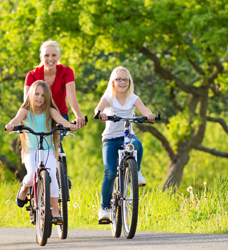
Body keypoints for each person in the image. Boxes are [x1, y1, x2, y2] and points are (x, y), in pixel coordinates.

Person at [5, 80, 77, 225]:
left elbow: (61, 121)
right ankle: (25, 188)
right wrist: (11, 125)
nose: (39, 97)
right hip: (31, 151)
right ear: (30, 94)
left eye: (43, 95)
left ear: (47, 98)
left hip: (49, 150)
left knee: (52, 177)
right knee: (32, 174)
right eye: (36, 94)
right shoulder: (25, 110)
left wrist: (70, 126)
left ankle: (55, 211)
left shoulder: (50, 111)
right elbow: (16, 119)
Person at [94, 66, 156, 221]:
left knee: (138, 145)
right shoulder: (108, 97)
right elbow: (98, 108)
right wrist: (100, 114)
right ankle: (104, 208)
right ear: (113, 82)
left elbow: (144, 109)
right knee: (109, 173)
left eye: (125, 79)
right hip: (110, 138)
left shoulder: (133, 98)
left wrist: (149, 115)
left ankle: (138, 171)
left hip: (127, 136)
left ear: (129, 82)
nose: (122, 82)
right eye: (118, 79)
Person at [24, 40, 85, 127]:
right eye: (46, 55)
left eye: (54, 55)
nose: (50, 59)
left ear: (59, 56)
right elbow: (27, 101)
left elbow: (71, 96)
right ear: (41, 57)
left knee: (55, 140)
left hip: (60, 116)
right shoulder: (32, 75)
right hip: (38, 116)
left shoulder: (67, 72)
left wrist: (79, 116)